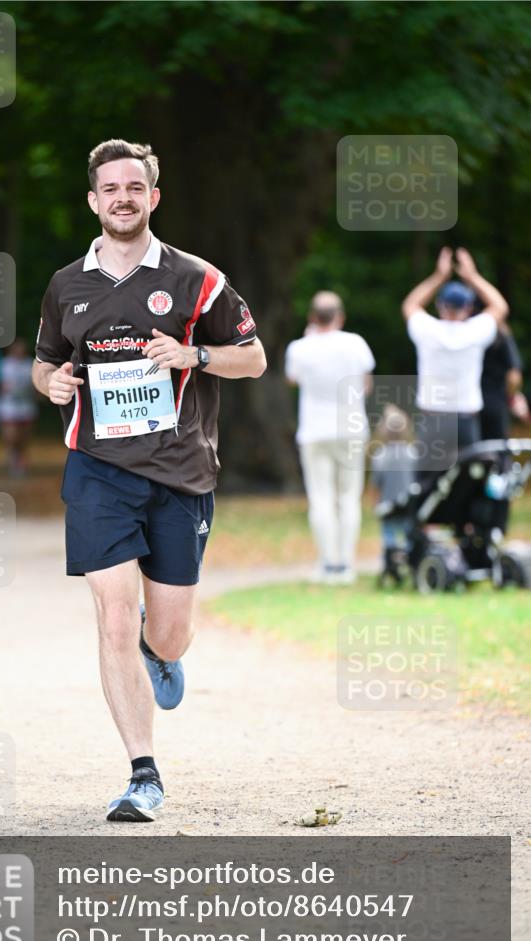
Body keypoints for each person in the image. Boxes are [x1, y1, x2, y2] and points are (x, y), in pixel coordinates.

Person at [32, 139, 266, 822]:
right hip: (97, 470)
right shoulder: (66, 284)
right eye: (110, 188)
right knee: (110, 615)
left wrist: (193, 355)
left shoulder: (197, 279)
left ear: (153, 197)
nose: (123, 198)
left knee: (168, 635)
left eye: (134, 187)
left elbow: (252, 359)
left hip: (179, 472)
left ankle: (156, 645)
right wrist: (53, 384)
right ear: (93, 200)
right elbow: (45, 363)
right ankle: (143, 775)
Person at [285, 291, 375, 584]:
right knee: (349, 498)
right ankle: (346, 565)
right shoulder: (356, 343)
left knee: (321, 498)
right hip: (351, 428)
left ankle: (328, 564)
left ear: (313, 317)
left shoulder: (300, 348)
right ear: (340, 317)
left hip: (315, 431)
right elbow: (366, 385)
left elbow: (292, 378)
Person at [401, 247, 509, 476]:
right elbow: (500, 306)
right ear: (468, 308)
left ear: (440, 305)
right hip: (465, 421)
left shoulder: (427, 330)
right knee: (468, 482)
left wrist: (438, 276)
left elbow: (410, 305)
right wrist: (473, 277)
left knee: (425, 485)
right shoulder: (475, 331)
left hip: (433, 420)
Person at [370, 405, 417, 583]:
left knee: (389, 537)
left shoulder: (380, 456)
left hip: (387, 507)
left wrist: (374, 505)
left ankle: (390, 566)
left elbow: (376, 485)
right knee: (408, 536)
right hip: (407, 505)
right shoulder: (413, 454)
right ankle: (410, 565)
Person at [480, 321, 526, 440]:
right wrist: (512, 397)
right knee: (498, 448)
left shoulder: (463, 330)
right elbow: (514, 377)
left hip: (466, 407)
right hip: (496, 405)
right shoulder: (501, 332)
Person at [0, 340, 37, 476]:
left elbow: (36, 385)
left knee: (23, 438)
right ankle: (12, 457)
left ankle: (21, 461)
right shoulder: (4, 364)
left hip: (26, 407)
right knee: (11, 436)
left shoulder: (30, 364)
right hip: (8, 407)